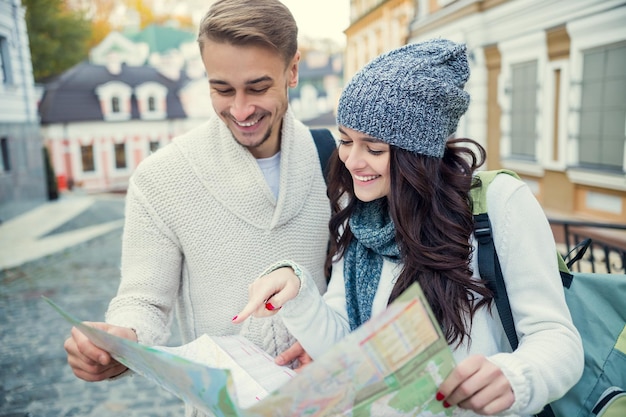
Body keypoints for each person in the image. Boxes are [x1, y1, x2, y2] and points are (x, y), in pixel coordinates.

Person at [234, 39, 584, 416]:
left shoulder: (499, 204)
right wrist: (297, 290)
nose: (352, 161)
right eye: (346, 141)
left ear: (418, 152)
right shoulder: (358, 217)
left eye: (374, 148)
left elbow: (557, 339)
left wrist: (516, 377)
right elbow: (342, 347)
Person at [63, 0, 330, 413]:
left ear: (293, 69)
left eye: (258, 87)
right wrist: (123, 341)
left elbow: (360, 282)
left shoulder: (338, 158)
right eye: (221, 89)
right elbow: (145, 300)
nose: (240, 110)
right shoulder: (161, 178)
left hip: (333, 399)